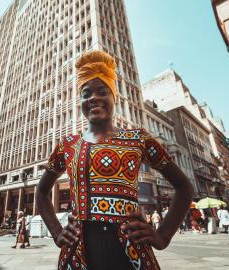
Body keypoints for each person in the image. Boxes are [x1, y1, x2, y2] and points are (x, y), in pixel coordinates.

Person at [36, 50, 194, 270]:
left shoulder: (139, 139)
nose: (93, 98)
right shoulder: (67, 145)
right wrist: (56, 232)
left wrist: (162, 236)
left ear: (114, 96)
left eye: (102, 91)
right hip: (77, 254)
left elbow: (184, 186)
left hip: (132, 252)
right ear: (80, 101)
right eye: (86, 93)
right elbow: (41, 192)